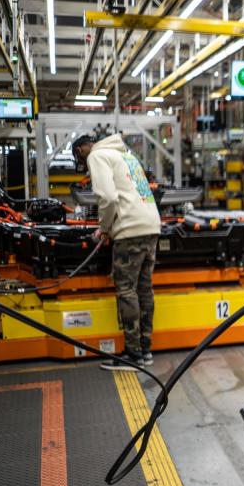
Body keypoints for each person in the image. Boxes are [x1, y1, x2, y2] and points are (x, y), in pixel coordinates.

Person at [74, 133, 162, 369]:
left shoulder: (97, 155)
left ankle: (132, 355)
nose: (83, 165)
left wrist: (104, 229)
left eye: (79, 159)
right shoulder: (126, 155)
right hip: (151, 225)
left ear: (83, 149)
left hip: (130, 230)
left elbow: (108, 198)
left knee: (126, 291)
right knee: (144, 290)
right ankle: (145, 350)